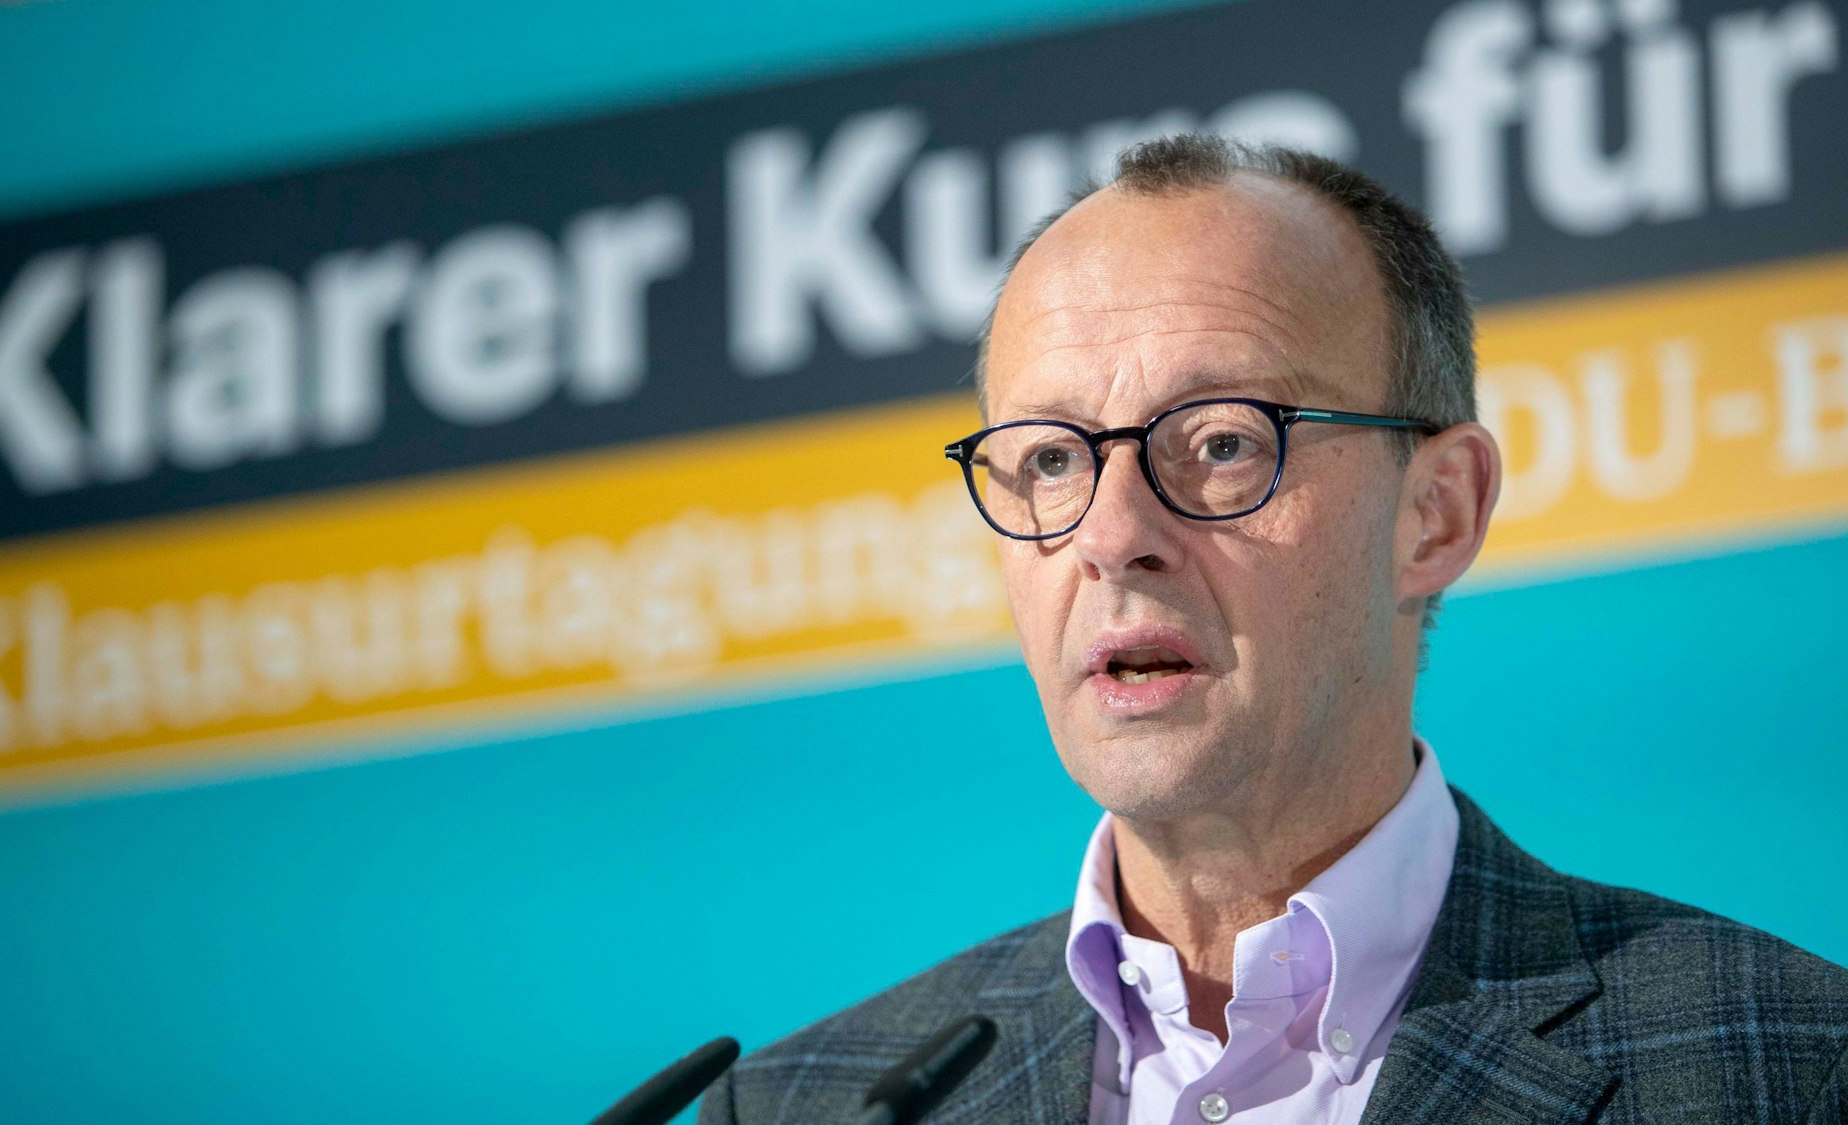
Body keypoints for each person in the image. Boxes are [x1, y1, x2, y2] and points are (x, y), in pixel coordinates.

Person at [697, 135, 1848, 1123]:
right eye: (1049, 457)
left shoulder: (1777, 1065)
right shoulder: (810, 1104)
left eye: (1220, 440)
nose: (1110, 534)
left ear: (1433, 515)